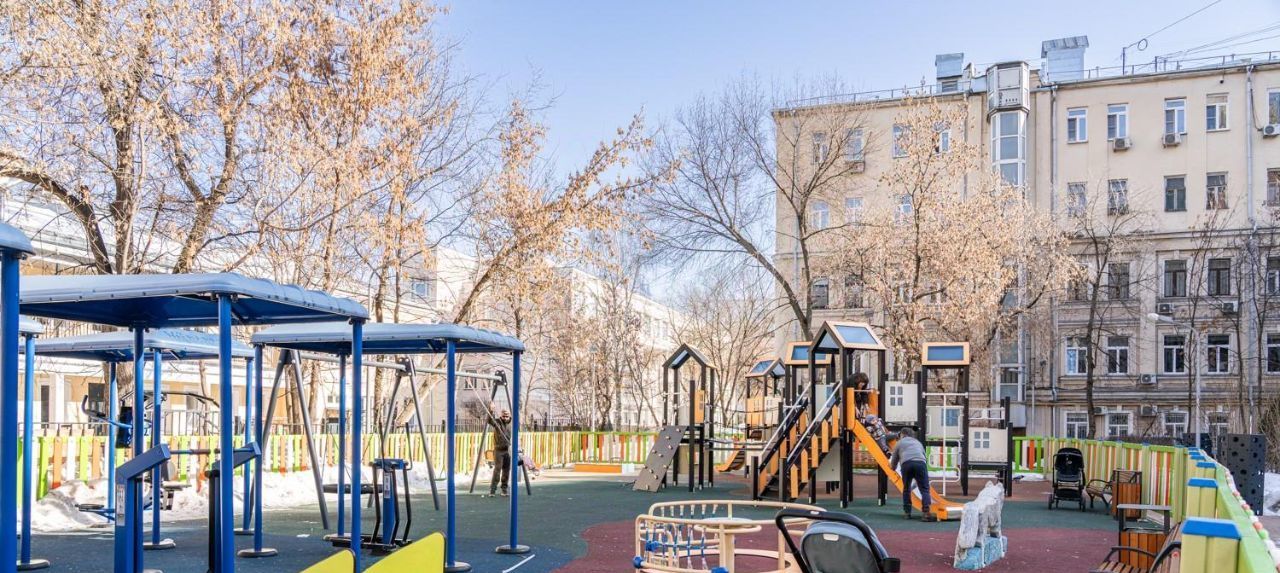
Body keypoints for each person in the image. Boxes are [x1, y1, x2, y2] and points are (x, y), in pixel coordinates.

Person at [889, 427, 935, 522]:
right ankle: (926, 512)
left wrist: (893, 468)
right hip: (920, 463)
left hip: (906, 464)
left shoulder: (899, 443)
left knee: (906, 488)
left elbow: (894, 458)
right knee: (925, 489)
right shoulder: (918, 443)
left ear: (902, 434)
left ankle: (907, 512)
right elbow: (924, 456)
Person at [488, 407, 513, 496]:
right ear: (501, 416)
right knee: (497, 469)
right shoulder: (498, 422)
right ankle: (493, 489)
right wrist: (491, 409)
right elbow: (489, 420)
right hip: (498, 450)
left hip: (507, 450)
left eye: (506, 416)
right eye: (503, 416)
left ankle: (504, 489)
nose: (505, 418)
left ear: (509, 416)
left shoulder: (512, 424)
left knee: (506, 470)